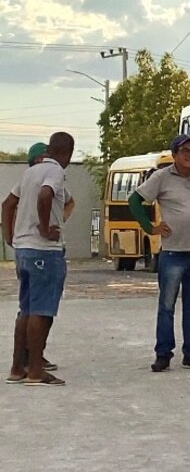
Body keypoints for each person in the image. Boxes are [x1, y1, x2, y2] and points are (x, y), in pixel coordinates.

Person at [128, 134, 190, 373]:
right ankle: (163, 354)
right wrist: (150, 228)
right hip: (173, 253)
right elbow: (135, 200)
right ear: (175, 155)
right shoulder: (162, 177)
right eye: (185, 150)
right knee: (167, 305)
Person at [2, 132, 75, 386]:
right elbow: (46, 196)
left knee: (26, 308)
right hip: (44, 250)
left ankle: (17, 367)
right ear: (68, 153)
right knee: (41, 311)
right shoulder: (54, 171)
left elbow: (7, 204)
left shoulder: (31, 172)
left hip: (23, 248)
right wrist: (44, 229)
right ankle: (35, 370)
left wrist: (10, 236)